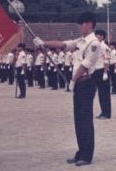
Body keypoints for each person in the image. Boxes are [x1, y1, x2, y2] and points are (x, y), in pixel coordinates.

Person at [34, 12, 100, 166]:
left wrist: (72, 80)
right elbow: (64, 44)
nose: (80, 27)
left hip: (86, 82)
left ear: (90, 24)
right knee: (78, 119)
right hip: (78, 83)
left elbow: (86, 65)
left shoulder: (94, 43)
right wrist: (43, 43)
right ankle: (80, 152)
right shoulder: (81, 40)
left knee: (85, 120)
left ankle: (87, 155)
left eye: (82, 23)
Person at [94, 30, 111, 119]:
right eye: (96, 35)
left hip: (102, 70)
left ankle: (106, 113)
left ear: (102, 37)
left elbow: (106, 60)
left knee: (104, 93)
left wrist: (105, 72)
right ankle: (103, 111)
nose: (96, 37)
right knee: (101, 93)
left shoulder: (104, 47)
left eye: (98, 35)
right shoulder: (97, 46)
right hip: (97, 70)